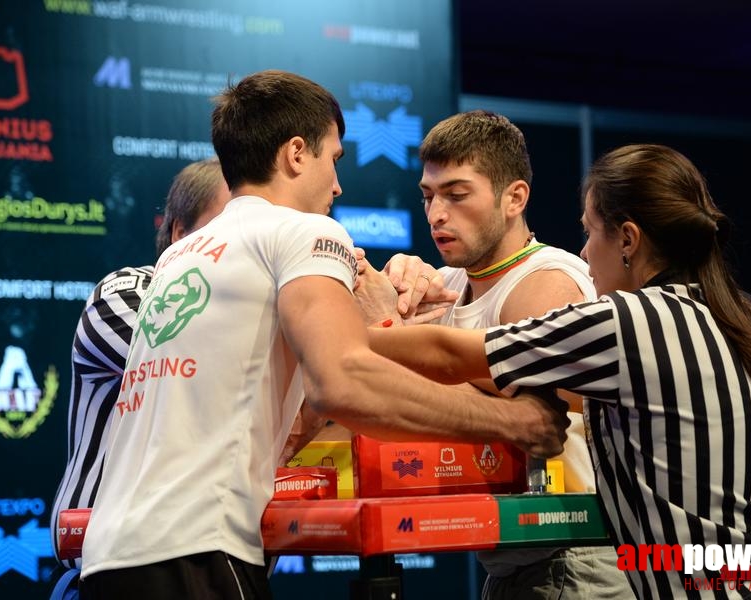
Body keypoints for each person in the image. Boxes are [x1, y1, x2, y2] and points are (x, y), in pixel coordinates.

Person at [77, 69, 571, 600]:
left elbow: (285, 407)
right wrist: (512, 420)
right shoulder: (304, 231)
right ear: (296, 154)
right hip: (198, 548)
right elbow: (343, 383)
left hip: (111, 554)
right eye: (333, 159)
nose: (337, 185)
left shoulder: (180, 255)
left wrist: (381, 329)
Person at [365, 144, 751, 599]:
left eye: (591, 233)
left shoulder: (623, 320)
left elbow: (451, 355)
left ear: (628, 239)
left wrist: (362, 327)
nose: (584, 255)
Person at [364, 110, 634, 599]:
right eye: (428, 196)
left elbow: (552, 402)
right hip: (510, 560)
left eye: (457, 195)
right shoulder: (442, 284)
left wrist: (405, 352)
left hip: (578, 558)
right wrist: (393, 315)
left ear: (515, 197)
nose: (436, 214)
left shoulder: (548, 279)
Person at [47, 157, 231, 599]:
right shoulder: (126, 293)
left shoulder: (273, 315)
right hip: (107, 575)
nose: (248, 248)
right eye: (229, 231)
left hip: (219, 569)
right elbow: (212, 367)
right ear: (180, 235)